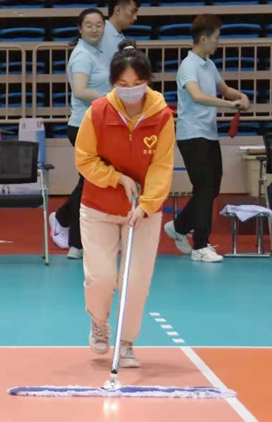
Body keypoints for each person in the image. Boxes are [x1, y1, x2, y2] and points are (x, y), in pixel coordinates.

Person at [75, 40, 175, 368]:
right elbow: (84, 159)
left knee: (135, 282)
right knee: (101, 277)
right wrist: (117, 178)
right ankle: (99, 322)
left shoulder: (162, 116)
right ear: (113, 83)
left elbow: (162, 166)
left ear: (148, 81)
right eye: (123, 84)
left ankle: (127, 343)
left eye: (137, 83)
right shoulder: (97, 112)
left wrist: (146, 205)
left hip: (143, 212)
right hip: (98, 207)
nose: (131, 90)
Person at [163, 14, 251, 263]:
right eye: (216, 38)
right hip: (192, 135)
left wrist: (240, 96)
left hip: (209, 134)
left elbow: (224, 88)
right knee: (203, 188)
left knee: (212, 189)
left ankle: (179, 226)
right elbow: (197, 95)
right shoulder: (188, 66)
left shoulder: (208, 64)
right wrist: (229, 104)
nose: (218, 42)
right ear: (203, 39)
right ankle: (200, 245)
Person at [49, 8, 111, 260]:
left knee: (89, 182)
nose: (94, 29)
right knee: (89, 183)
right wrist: (112, 103)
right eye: (89, 25)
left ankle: (64, 220)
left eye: (99, 25)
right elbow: (80, 90)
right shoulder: (83, 56)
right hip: (84, 126)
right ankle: (76, 242)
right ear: (80, 28)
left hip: (98, 125)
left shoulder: (98, 53)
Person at [99, 0, 140, 66]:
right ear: (118, 10)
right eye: (132, 12)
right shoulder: (100, 33)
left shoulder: (121, 37)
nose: (135, 18)